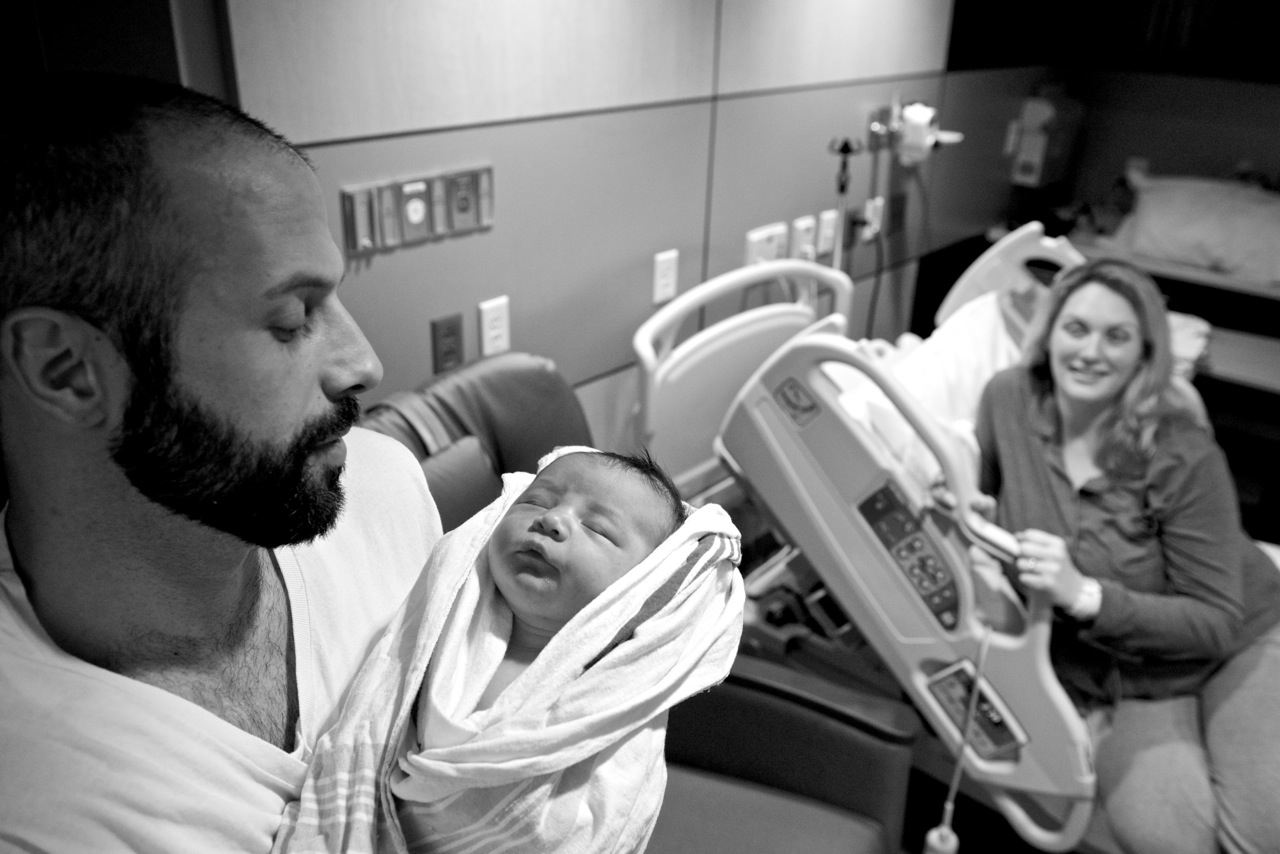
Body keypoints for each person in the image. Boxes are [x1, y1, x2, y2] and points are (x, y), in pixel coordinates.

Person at [0, 73, 441, 851]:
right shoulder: (33, 804)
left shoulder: (385, 493)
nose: (364, 363)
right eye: (294, 317)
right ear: (66, 369)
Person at [272, 446, 745, 853]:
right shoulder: (446, 624)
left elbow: (600, 811)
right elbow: (380, 708)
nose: (553, 520)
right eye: (537, 500)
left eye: (598, 529)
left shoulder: (612, 686)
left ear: (641, 583)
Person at [974, 258, 1280, 854]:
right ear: (1049, 332)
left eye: (1116, 337)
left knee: (1263, 835)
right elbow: (985, 490)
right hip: (1133, 672)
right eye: (1077, 328)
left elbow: (1216, 622)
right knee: (1170, 839)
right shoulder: (1008, 400)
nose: (1090, 352)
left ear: (1145, 353)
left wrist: (1084, 596)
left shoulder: (1179, 450)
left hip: (1241, 637)